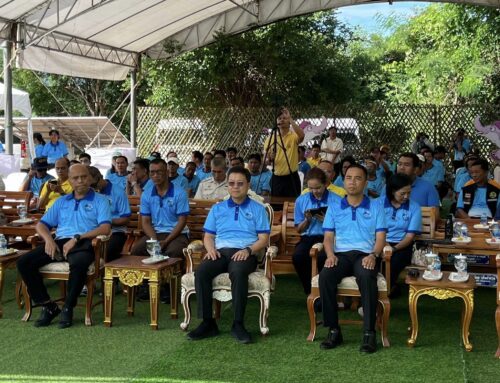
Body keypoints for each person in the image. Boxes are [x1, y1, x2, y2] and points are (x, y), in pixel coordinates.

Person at [17, 164, 112, 328]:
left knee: (79, 263)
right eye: (76, 178)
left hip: (85, 241)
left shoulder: (100, 200)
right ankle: (49, 306)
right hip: (59, 242)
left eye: (84, 177)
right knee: (24, 262)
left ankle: (68, 306)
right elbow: (41, 225)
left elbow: (105, 228)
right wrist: (48, 240)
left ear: (90, 178)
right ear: (70, 181)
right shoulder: (62, 201)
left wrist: (77, 237)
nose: (80, 181)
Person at [187, 167, 270, 344]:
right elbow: (208, 236)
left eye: (240, 184)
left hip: (245, 252)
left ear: (248, 185)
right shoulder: (218, 209)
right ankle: (208, 323)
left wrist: (248, 250)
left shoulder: (258, 209)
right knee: (202, 272)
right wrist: (210, 250)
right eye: (231, 183)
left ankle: (238, 324)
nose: (235, 187)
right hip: (220, 252)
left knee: (238, 272)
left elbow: (264, 239)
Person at [319, 164, 387, 353]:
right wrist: (330, 255)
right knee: (325, 276)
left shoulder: (376, 206)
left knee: (366, 276)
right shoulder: (334, 206)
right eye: (348, 178)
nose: (352, 182)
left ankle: (369, 333)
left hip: (365, 254)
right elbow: (328, 237)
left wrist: (374, 255)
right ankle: (333, 330)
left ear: (365, 182)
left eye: (358, 178)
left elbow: (381, 237)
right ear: (344, 180)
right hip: (340, 255)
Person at [131, 158, 189, 259]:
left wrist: (166, 241)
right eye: (152, 173)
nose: (155, 176)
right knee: (136, 251)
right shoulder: (146, 194)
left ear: (166, 172)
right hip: (155, 233)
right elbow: (146, 222)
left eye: (159, 172)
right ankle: (148, 275)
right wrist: (154, 240)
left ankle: (169, 275)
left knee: (173, 252)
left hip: (177, 234)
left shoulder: (180, 193)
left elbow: (182, 221)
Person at [293, 168, 338, 295]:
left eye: (318, 188)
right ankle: (311, 291)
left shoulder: (337, 200)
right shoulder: (301, 200)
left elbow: (343, 227)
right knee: (298, 257)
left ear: (325, 184)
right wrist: (307, 220)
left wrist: (327, 221)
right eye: (311, 188)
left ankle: (326, 292)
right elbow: (298, 229)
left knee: (324, 258)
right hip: (308, 237)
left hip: (330, 237)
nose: (314, 191)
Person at [383, 174, 422, 297]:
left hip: (402, 245)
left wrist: (393, 249)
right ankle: (389, 288)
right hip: (380, 241)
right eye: (402, 193)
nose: (406, 197)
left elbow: (410, 237)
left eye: (409, 193)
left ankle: (384, 291)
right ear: (392, 191)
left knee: (394, 261)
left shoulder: (414, 207)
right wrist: (384, 244)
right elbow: (373, 229)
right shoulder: (378, 203)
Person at [88, 166, 131, 261]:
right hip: (93, 230)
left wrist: (105, 221)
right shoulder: (88, 192)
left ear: (101, 177)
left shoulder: (118, 192)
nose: (93, 189)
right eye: (90, 186)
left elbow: (126, 219)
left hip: (116, 231)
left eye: (94, 185)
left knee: (107, 251)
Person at [263, 107, 304, 197]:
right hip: (276, 177)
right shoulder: (270, 138)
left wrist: (290, 119)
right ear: (276, 122)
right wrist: (269, 159)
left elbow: (302, 136)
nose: (282, 120)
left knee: (293, 205)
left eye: (284, 118)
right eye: (279, 118)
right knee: (276, 205)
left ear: (289, 121)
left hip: (292, 177)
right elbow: (265, 160)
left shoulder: (293, 136)